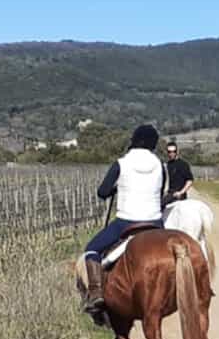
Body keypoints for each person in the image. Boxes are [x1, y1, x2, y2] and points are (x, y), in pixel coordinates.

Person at [81, 124, 165, 318]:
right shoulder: (160, 165)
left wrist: (115, 188)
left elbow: (102, 192)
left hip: (126, 223)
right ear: (153, 144)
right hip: (155, 224)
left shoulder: (121, 163)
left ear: (133, 141)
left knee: (91, 250)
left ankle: (95, 294)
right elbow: (160, 192)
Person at [163, 140, 194, 204]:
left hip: (179, 196)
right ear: (167, 152)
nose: (172, 153)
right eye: (169, 152)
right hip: (169, 194)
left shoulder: (183, 164)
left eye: (174, 151)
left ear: (177, 151)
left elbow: (189, 180)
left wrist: (181, 192)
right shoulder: (166, 165)